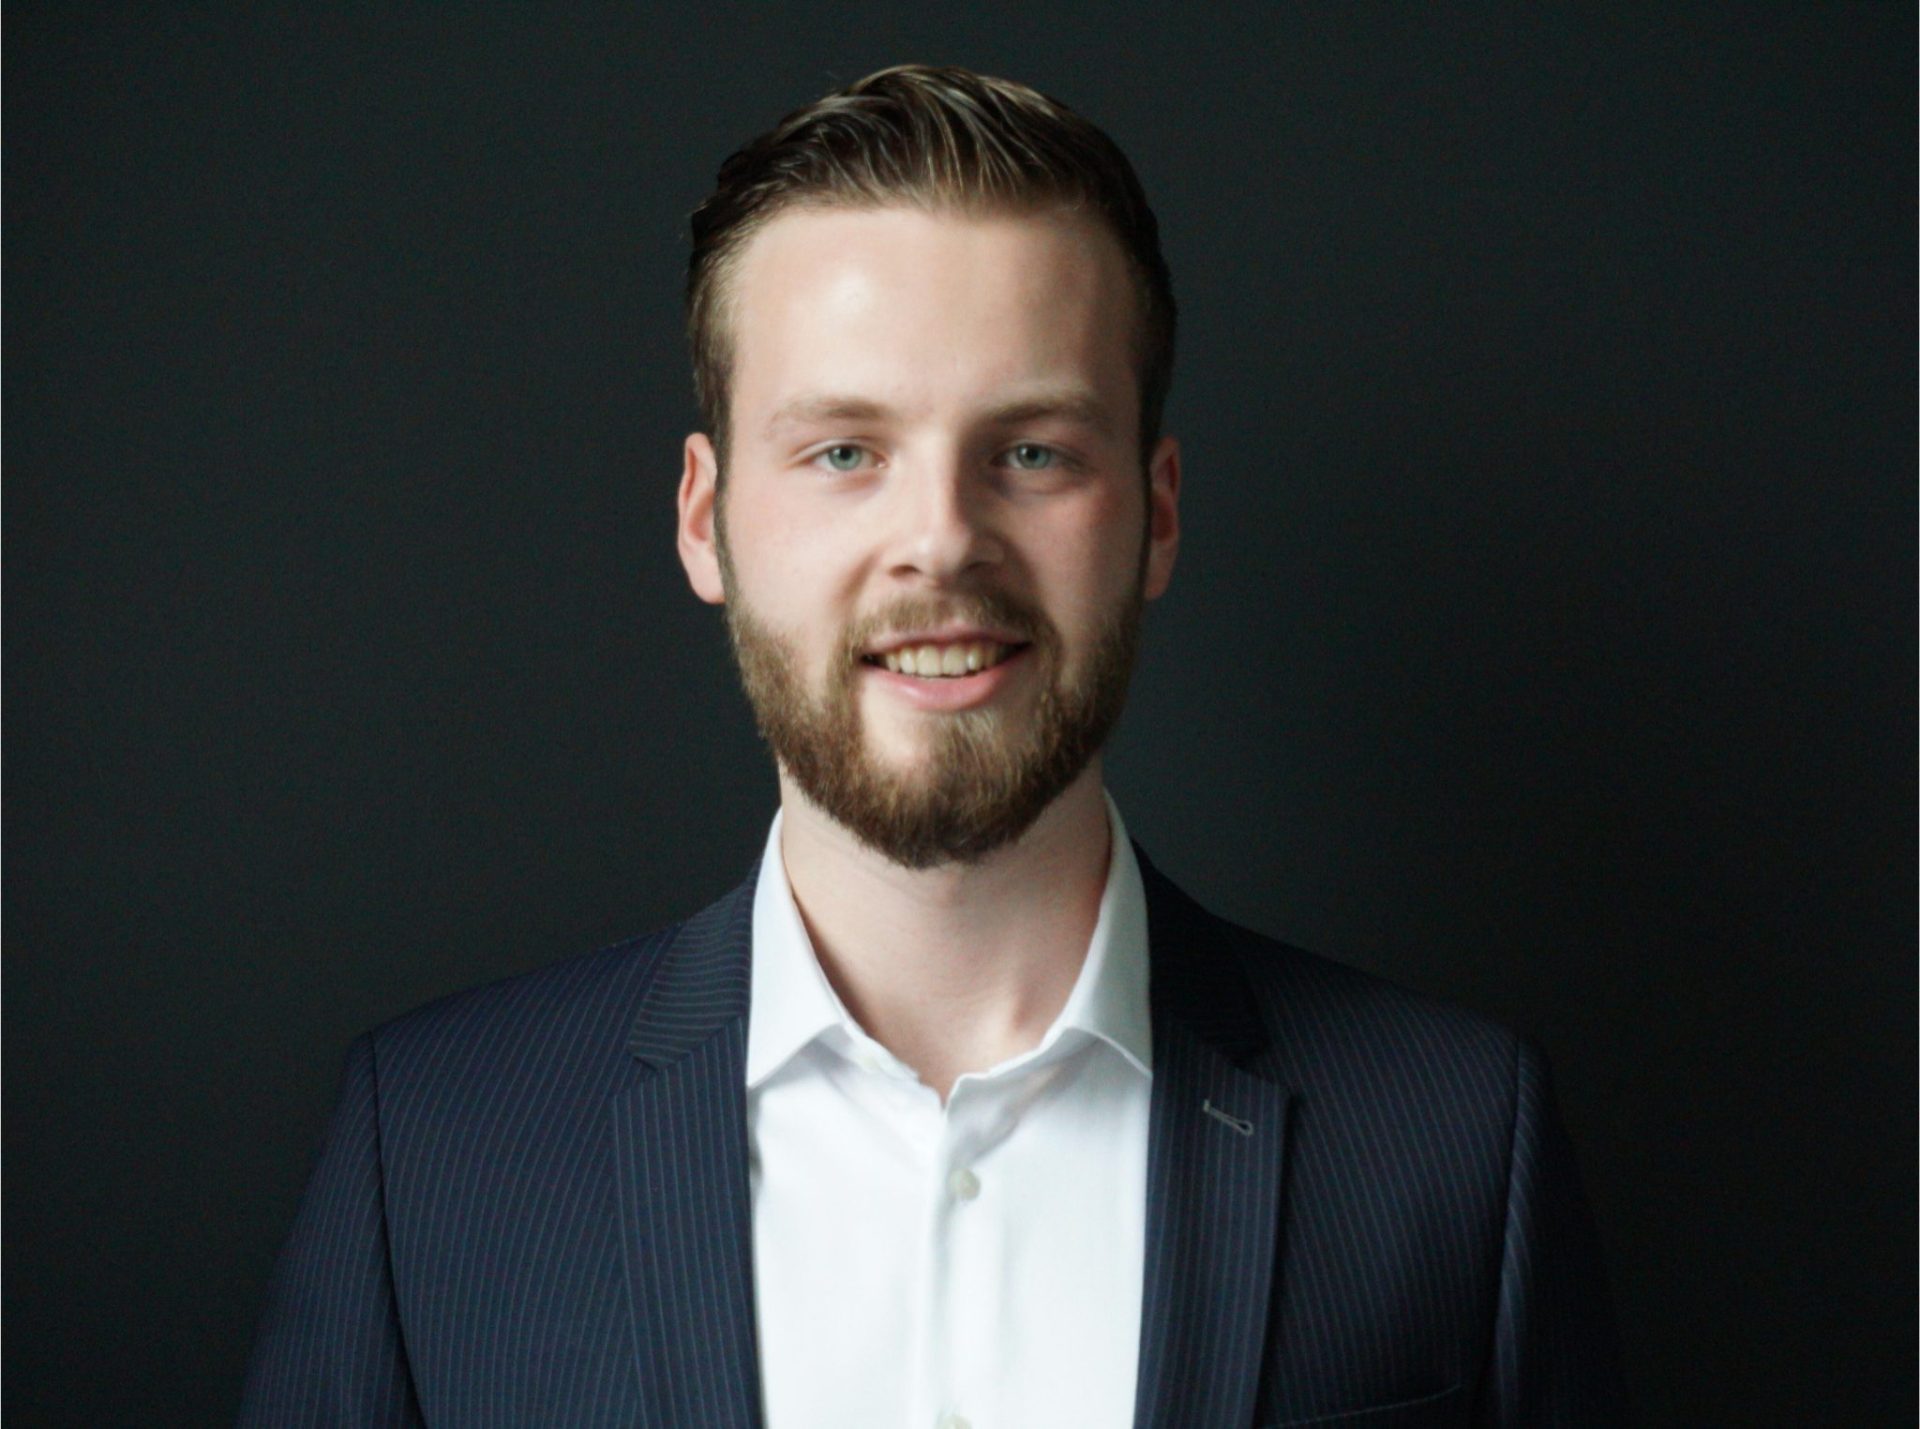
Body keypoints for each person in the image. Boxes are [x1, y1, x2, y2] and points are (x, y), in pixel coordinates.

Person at [239, 65, 1624, 1428]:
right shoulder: (427, 1157)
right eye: (845, 451)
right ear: (703, 517)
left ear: (1157, 511)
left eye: (1031, 452)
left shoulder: (1453, 1144)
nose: (943, 540)